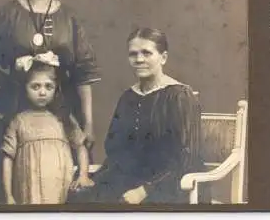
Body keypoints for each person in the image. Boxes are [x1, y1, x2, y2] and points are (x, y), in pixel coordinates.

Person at [0, 0, 101, 203]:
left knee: (62, 178)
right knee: (12, 177)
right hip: (15, 106)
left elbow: (83, 73)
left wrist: (88, 122)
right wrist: (14, 73)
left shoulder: (69, 17)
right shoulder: (6, 14)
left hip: (62, 108)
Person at [71, 28, 207, 204]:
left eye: (146, 53)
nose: (139, 59)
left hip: (172, 185)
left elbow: (187, 159)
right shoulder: (128, 97)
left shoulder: (179, 96)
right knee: (80, 198)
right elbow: (115, 150)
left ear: (163, 57)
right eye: (133, 54)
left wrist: (145, 191)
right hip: (129, 179)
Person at [1, 54, 94, 204]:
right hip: (28, 187)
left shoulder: (64, 117)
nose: (42, 92)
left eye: (48, 86)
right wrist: (8, 195)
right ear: (25, 88)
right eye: (35, 86)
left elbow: (80, 147)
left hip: (60, 185)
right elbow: (8, 159)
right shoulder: (18, 121)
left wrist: (83, 175)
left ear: (56, 89)